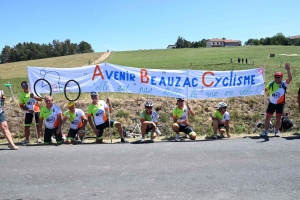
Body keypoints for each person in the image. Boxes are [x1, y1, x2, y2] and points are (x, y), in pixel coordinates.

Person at [260, 63, 292, 137]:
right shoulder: (271, 84)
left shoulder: (284, 84)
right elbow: (264, 90)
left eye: (279, 77)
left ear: (281, 78)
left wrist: (288, 70)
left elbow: (290, 79)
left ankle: (277, 131)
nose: (277, 78)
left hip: (280, 104)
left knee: (278, 118)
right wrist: (262, 85)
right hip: (271, 104)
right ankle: (266, 131)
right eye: (276, 77)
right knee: (267, 117)